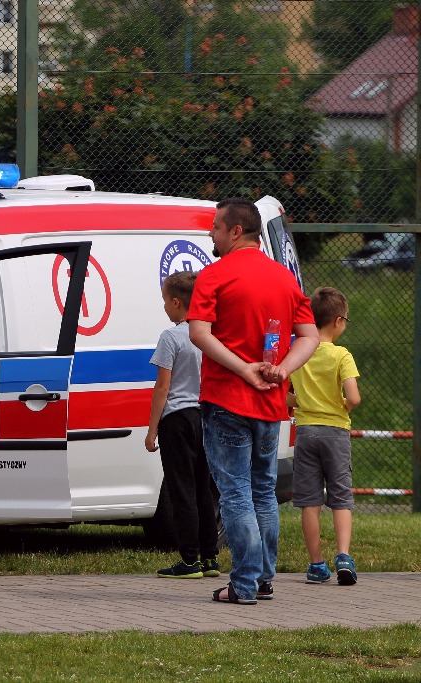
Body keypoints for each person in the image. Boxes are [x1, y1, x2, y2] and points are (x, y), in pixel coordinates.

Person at [188, 197, 319, 605]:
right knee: (263, 490)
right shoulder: (284, 278)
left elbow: (198, 333)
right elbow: (309, 335)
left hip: (228, 399)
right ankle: (262, 578)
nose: (210, 233)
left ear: (235, 231)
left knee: (236, 493)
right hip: (271, 402)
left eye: (214, 226)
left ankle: (243, 585)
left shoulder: (214, 276)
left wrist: (243, 369)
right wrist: (280, 369)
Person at [145, 271, 220, 579]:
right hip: (205, 415)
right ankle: (210, 558)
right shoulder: (210, 335)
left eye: (165, 301)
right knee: (204, 488)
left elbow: (162, 387)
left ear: (176, 302)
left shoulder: (171, 337)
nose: (164, 307)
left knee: (182, 489)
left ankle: (188, 560)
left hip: (176, 418)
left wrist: (151, 430)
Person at [287, 287, 360, 586]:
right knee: (341, 496)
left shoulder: (299, 351)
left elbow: (287, 398)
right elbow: (353, 397)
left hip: (305, 431)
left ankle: (317, 563)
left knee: (309, 500)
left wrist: (304, 401)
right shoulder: (342, 355)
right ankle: (343, 556)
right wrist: (340, 405)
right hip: (336, 433)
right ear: (338, 321)